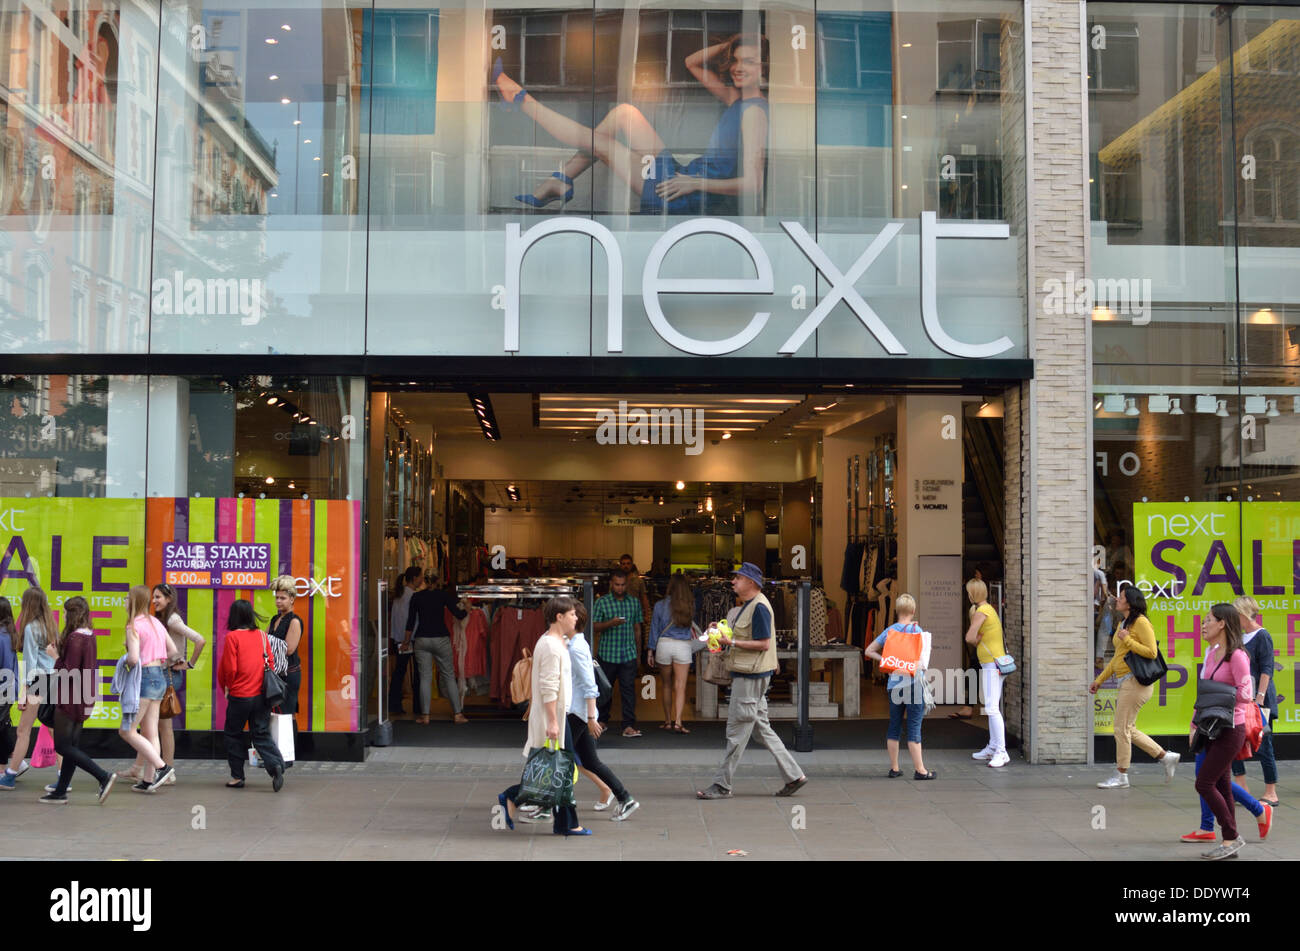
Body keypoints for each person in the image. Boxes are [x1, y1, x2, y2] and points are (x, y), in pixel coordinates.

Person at [492, 34, 770, 216]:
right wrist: (734, 44)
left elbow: (753, 184)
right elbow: (691, 63)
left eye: (749, 62)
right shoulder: (736, 98)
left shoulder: (754, 113)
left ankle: (520, 99)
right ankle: (560, 179)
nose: (737, 67)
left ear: (764, 68)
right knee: (624, 113)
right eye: (734, 61)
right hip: (683, 177)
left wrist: (694, 183)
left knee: (600, 143)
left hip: (683, 193)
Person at [697, 562, 807, 800]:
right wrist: (723, 633)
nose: (733, 581)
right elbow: (755, 639)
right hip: (752, 675)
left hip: (750, 678)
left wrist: (731, 643)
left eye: (738, 578)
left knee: (736, 732)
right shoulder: (752, 606)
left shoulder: (758, 607)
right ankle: (794, 775)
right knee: (761, 730)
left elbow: (763, 644)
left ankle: (722, 785)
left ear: (751, 582)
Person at [497, 596, 591, 836]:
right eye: (572, 614)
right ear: (559, 617)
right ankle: (515, 799)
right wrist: (553, 721)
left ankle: (564, 822)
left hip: (558, 716)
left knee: (559, 770)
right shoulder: (550, 645)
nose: (576, 618)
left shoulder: (554, 641)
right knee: (556, 770)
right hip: (554, 717)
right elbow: (548, 686)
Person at [1089, 586, 1179, 788]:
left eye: (1121, 598)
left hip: (1135, 682)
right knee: (1128, 728)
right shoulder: (1123, 622)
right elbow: (1118, 659)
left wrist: (1127, 639)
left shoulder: (1141, 623)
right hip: (1125, 680)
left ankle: (1121, 776)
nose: (1117, 600)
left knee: (1120, 729)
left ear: (1130, 602)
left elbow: (1152, 652)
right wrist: (1099, 680)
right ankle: (1165, 757)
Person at [1191, 603, 1254, 860]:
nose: (1203, 625)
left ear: (1222, 624)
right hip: (1210, 727)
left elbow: (1246, 694)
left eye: (1208, 620)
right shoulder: (1210, 653)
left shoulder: (1238, 656)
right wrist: (1194, 724)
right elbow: (1204, 692)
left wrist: (1221, 696)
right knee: (1223, 785)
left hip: (1231, 728)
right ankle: (1229, 843)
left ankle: (1232, 835)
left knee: (1204, 783)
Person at [124, 583, 204, 781]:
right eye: (153, 597)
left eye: (159, 597)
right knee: (150, 727)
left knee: (162, 728)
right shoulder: (157, 621)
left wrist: (188, 664)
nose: (154, 601)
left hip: (166, 674)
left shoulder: (172, 619)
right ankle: (142, 769)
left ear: (169, 599)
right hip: (161, 674)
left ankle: (167, 771)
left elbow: (200, 640)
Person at [40, 597, 116, 804]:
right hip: (84, 696)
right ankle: (60, 791)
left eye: (65, 613)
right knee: (70, 745)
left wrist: (55, 656)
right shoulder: (90, 636)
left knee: (64, 747)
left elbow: (69, 673)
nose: (62, 616)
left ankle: (103, 776)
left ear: (71, 614)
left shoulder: (75, 638)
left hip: (70, 697)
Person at [569, 602, 638, 821]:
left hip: (578, 714)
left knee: (561, 757)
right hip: (581, 713)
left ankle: (542, 805)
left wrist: (591, 718)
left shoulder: (577, 647)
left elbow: (590, 685)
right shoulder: (573, 644)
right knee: (590, 761)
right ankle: (625, 798)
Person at [217, 599, 286, 791]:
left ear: (233, 616)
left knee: (233, 734)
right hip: (262, 696)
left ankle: (237, 777)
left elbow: (230, 668)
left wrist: (228, 687)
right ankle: (275, 766)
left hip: (240, 694)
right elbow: (270, 665)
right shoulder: (263, 636)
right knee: (261, 733)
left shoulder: (233, 637)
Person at [865, 594, 935, 780]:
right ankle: (920, 770)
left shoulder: (889, 631)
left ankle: (894, 768)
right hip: (914, 684)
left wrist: (887, 661)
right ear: (913, 611)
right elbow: (922, 662)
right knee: (914, 727)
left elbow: (869, 651)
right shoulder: (917, 631)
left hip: (894, 685)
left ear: (896, 611)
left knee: (894, 725)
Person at [118, 585, 174, 793]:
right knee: (151, 732)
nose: (124, 602)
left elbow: (133, 658)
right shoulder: (156, 623)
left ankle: (161, 767)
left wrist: (126, 662)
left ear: (133, 601)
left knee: (127, 730)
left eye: (126, 598)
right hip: (159, 676)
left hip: (144, 679)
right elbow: (173, 650)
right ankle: (149, 781)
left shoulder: (133, 625)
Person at [0, 587, 58, 789]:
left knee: (23, 731)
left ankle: (10, 775)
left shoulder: (30, 628)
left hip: (38, 681)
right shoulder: (51, 626)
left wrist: (24, 694)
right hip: (53, 679)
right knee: (53, 730)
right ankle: (63, 776)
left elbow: (30, 664)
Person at [1231, 596, 1278, 806]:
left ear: (1243, 614)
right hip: (1242, 697)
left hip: (1259, 698)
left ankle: (1271, 791)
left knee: (1264, 743)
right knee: (1234, 742)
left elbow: (1267, 669)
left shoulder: (1262, 636)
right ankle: (1242, 786)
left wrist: (1259, 698)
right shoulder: (1240, 637)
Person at [404, 575, 468, 725]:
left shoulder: (416, 596)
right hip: (441, 638)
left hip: (422, 639)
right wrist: (467, 609)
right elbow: (459, 614)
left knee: (425, 678)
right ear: (437, 580)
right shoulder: (443, 595)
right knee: (449, 676)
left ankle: (425, 716)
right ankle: (457, 714)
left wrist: (406, 642)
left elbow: (410, 622)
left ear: (425, 580)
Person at [593, 569, 644, 737]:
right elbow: (593, 627)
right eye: (617, 584)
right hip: (607, 653)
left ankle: (628, 725)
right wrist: (610, 623)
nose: (620, 588)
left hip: (628, 653)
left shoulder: (634, 602)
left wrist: (638, 653)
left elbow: (637, 628)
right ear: (611, 584)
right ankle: (602, 720)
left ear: (626, 584)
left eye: (622, 585)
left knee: (628, 690)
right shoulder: (602, 602)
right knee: (604, 690)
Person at [965, 579, 1010, 768]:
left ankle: (1001, 751)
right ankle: (993, 747)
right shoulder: (989, 609)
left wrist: (977, 639)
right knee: (992, 706)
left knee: (991, 708)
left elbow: (969, 637)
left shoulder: (980, 612)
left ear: (972, 594)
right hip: (993, 663)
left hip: (992, 664)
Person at [648, 573, 695, 734]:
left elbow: (654, 628)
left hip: (664, 645)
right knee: (680, 686)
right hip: (682, 646)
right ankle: (679, 722)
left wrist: (650, 650)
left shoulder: (660, 605)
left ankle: (668, 721)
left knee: (666, 684)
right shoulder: (689, 605)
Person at [268, 576, 305, 745]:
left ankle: (289, 750)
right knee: (276, 711)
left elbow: (289, 648)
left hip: (290, 673)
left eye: (282, 598)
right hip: (275, 673)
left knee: (288, 711)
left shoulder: (295, 621)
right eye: (277, 597)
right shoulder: (274, 619)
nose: (278, 601)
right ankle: (279, 748)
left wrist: (268, 644)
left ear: (292, 599)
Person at [388, 567, 424, 715]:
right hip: (411, 639)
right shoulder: (414, 596)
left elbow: (396, 619)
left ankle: (394, 704)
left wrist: (399, 639)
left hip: (398, 638)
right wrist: (407, 640)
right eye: (421, 576)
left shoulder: (399, 594)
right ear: (414, 578)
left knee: (399, 672)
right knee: (418, 673)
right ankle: (418, 707)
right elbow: (412, 621)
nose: (422, 579)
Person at [0, 600, 17, 767]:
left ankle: (3, 768)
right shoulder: (8, 634)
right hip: (7, 688)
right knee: (2, 726)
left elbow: (4, 666)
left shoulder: (2, 636)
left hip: (3, 689)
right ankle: (15, 760)